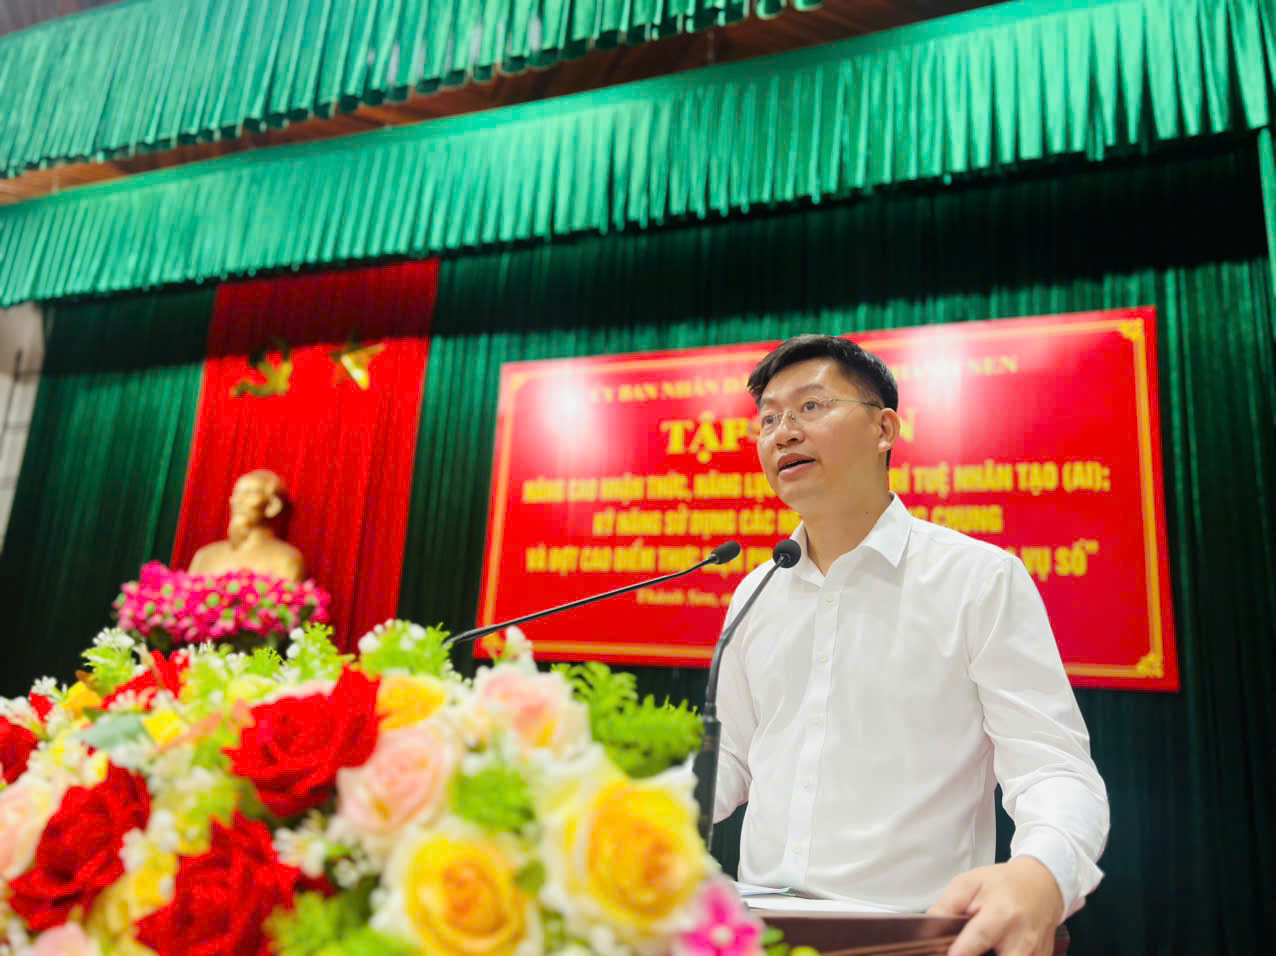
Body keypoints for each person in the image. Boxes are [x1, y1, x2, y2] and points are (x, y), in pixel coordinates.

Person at [714, 335, 1109, 956]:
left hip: (910, 935)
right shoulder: (756, 592)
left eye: (811, 407)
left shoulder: (977, 578)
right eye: (769, 419)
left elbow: (1051, 768)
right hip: (756, 930)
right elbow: (730, 759)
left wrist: (1042, 872)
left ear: (884, 429)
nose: (784, 433)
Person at [188, 469, 306, 582]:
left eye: (249, 494)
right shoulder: (205, 556)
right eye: (236, 493)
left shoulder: (286, 560)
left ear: (273, 506)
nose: (237, 501)